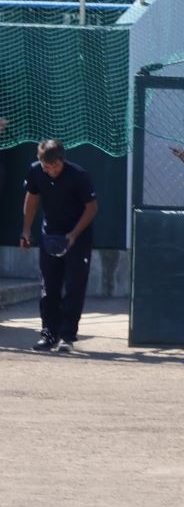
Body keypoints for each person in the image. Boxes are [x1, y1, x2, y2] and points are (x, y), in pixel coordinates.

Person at [19, 139, 99, 351]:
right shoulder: (36, 172)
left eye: (55, 166)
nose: (51, 170)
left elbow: (91, 207)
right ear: (40, 161)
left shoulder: (79, 175)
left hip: (78, 236)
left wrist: (73, 235)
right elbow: (32, 198)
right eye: (47, 166)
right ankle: (49, 334)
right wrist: (26, 230)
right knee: (48, 287)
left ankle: (67, 336)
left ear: (62, 160)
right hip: (51, 234)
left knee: (74, 286)